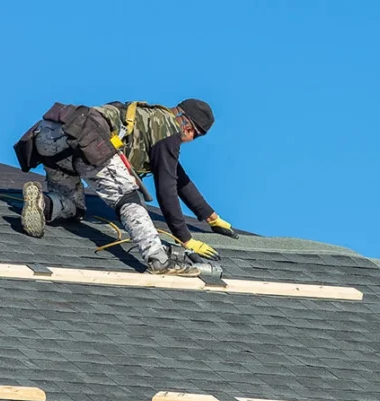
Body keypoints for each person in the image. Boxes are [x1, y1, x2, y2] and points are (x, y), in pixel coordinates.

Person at [13, 99, 238, 276]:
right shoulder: (169, 130)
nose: (190, 139)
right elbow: (166, 187)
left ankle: (42, 203)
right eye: (195, 136)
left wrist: (210, 217)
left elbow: (177, 175)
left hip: (50, 135)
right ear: (189, 127)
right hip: (90, 142)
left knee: (73, 207)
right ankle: (158, 259)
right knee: (128, 200)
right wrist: (185, 238)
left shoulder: (147, 118)